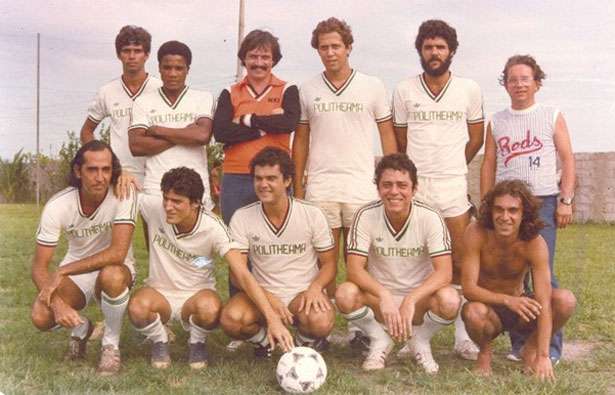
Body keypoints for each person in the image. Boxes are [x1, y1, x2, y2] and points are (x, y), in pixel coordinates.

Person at [293, 17, 397, 346]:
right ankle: (317, 328)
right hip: (321, 188)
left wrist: (389, 180)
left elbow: (387, 136)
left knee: (361, 265)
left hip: (361, 189)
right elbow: (302, 141)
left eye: (336, 45)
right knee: (321, 265)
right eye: (323, 47)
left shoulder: (373, 85)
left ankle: (360, 329)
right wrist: (298, 186)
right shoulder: (307, 88)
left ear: (348, 47)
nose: (330, 52)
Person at [392, 19, 484, 360]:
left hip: (452, 186)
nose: (434, 53)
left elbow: (477, 137)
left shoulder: (469, 89)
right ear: (420, 51)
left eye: (441, 47)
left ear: (451, 51)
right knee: (418, 262)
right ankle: (413, 336)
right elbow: (401, 141)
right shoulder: (404, 89)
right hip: (418, 188)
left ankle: (463, 336)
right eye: (428, 47)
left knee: (459, 261)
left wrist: (453, 165)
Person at [480, 55, 576, 363]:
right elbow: (489, 164)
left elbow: (568, 159)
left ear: (537, 82)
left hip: (542, 201)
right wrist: (486, 205)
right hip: (507, 205)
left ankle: (549, 349)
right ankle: (520, 345)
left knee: (542, 274)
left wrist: (566, 200)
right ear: (505, 84)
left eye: (525, 79)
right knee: (512, 275)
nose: (519, 84)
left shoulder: (551, 114)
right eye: (512, 79)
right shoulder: (497, 120)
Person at [212, 31, 299, 351]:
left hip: (275, 176)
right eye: (253, 56)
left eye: (265, 56)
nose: (259, 62)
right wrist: (265, 125)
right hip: (237, 176)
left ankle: (289, 317)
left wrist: (246, 120)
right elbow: (221, 131)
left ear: (274, 59)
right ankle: (245, 320)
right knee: (239, 251)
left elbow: (289, 122)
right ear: (244, 59)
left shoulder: (287, 89)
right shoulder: (230, 91)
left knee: (279, 246)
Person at [335, 153, 460, 373]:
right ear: (378, 188)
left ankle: (419, 341)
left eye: (402, 185)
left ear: (414, 188)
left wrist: (411, 299)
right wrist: (384, 295)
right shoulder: (365, 215)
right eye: (387, 185)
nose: (394, 191)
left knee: (450, 300)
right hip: (381, 301)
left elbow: (445, 272)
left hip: (418, 302)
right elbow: (354, 269)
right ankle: (380, 340)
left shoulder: (430, 216)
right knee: (345, 293)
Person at [30, 140, 137, 376]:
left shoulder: (123, 193)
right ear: (78, 171)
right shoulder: (58, 205)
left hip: (116, 267)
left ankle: (110, 345)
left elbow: (117, 253)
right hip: (77, 271)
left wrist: (62, 271)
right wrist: (57, 305)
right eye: (92, 169)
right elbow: (38, 268)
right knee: (40, 315)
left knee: (112, 274)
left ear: (113, 171)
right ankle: (83, 328)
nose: (100, 177)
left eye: (106, 169)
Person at [220, 147, 337, 357]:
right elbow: (236, 275)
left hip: (301, 294)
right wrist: (270, 301)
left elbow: (329, 264)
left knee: (321, 321)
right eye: (258, 178)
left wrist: (316, 288)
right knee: (232, 319)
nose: (263, 184)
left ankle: (302, 345)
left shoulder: (311, 214)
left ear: (287, 181)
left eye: (271, 178)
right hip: (263, 293)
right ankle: (265, 343)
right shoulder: (242, 217)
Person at [461, 180, 576, 380]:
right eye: (499, 209)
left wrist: (543, 354)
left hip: (521, 311)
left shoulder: (534, 243)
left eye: (513, 210)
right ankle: (485, 352)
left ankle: (529, 349)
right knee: (472, 312)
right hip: (488, 310)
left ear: (524, 214)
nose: (505, 217)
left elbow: (544, 299)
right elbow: (468, 289)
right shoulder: (476, 232)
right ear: (490, 211)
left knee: (565, 300)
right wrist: (507, 300)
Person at [127, 167, 232, 369]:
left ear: (195, 203)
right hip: (160, 293)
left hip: (195, 296)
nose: (168, 206)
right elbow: (126, 192)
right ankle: (160, 340)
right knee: (137, 308)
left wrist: (199, 261)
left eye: (177, 201)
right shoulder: (155, 208)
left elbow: (234, 264)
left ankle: (197, 342)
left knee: (210, 309)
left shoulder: (213, 227)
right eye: (166, 198)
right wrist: (121, 174)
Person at [128, 40, 214, 210]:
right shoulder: (142, 102)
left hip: (196, 189)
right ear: (159, 68)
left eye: (179, 68)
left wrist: (158, 130)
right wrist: (187, 133)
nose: (173, 73)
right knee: (156, 238)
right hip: (155, 190)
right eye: (167, 68)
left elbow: (202, 135)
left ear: (187, 70)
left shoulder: (203, 98)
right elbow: (136, 146)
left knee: (198, 237)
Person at [80, 25, 161, 186]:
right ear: (119, 55)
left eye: (137, 51)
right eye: (126, 50)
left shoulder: (160, 88)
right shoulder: (107, 91)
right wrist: (106, 162)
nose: (132, 56)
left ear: (147, 55)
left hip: (157, 172)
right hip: (122, 175)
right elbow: (86, 131)